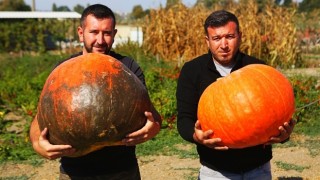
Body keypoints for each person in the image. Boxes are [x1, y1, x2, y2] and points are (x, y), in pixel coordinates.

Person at [29, 4, 161, 180]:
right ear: (81, 32)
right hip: (74, 172)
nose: (100, 40)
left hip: (122, 171)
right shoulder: (63, 70)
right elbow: (40, 119)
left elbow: (151, 114)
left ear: (114, 34)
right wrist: (38, 145)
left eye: (106, 33)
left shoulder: (128, 67)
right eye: (94, 32)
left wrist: (153, 128)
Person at [176, 10, 295, 179]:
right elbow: (184, 119)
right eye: (216, 38)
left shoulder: (258, 68)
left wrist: (283, 135)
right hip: (216, 170)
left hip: (258, 168)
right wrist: (196, 136)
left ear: (240, 36)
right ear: (207, 41)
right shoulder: (192, 71)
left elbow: (275, 111)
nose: (223, 44)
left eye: (230, 37)